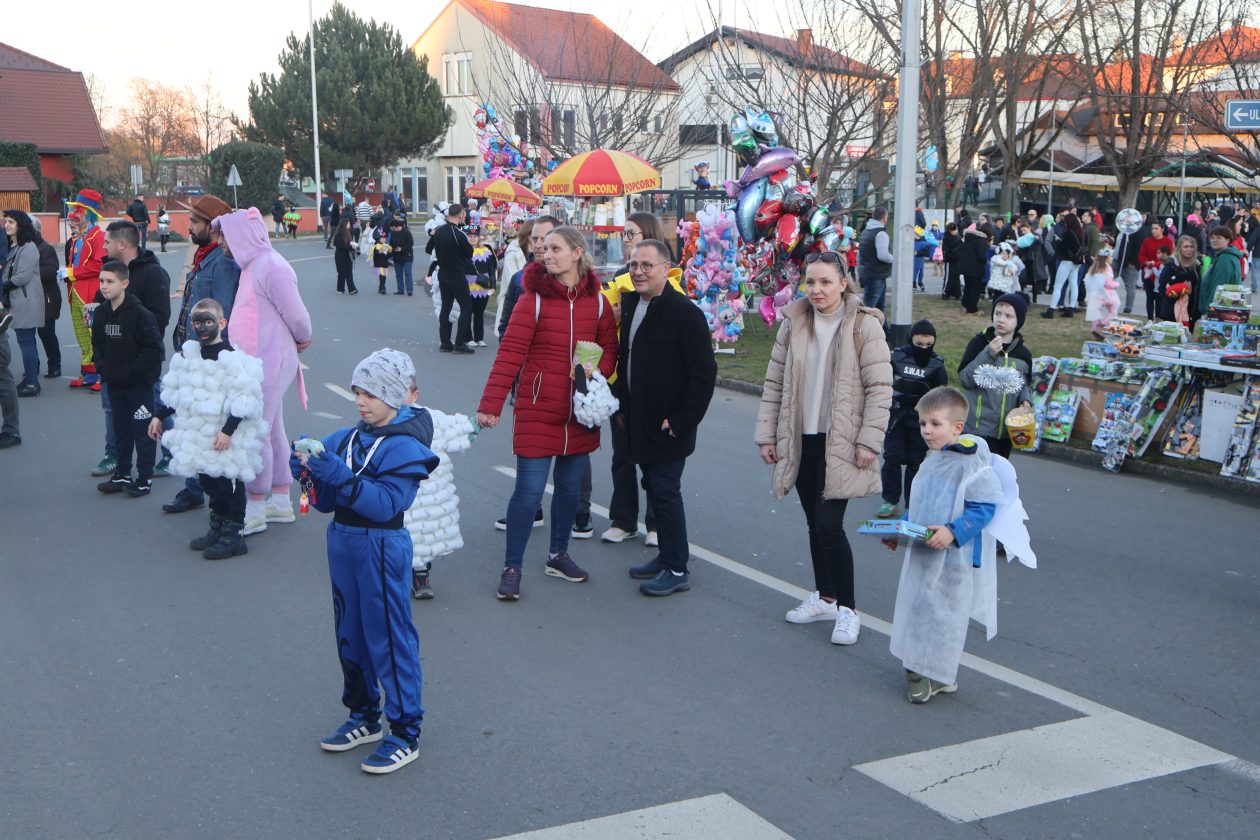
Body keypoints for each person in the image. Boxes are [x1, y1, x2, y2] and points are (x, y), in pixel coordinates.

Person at [290, 349, 439, 775]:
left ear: (395, 396)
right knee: (349, 631)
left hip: (381, 545)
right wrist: (307, 468)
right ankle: (363, 714)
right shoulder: (347, 438)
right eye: (358, 391)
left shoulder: (406, 446)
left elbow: (386, 503)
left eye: (372, 393)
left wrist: (337, 475)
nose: (361, 400)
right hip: (343, 540)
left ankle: (406, 730)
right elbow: (324, 502)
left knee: (389, 636)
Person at [755, 250, 892, 645]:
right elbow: (775, 384)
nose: (816, 290)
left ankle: (848, 610)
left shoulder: (864, 327)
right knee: (815, 523)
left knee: (830, 526)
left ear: (843, 282)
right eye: (810, 282)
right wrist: (768, 435)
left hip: (844, 443)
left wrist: (869, 441)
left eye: (825, 282)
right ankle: (826, 597)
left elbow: (880, 389)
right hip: (802, 440)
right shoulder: (794, 323)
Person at [475, 226, 618, 600]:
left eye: (555, 248)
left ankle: (558, 555)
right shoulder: (532, 299)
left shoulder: (599, 301)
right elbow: (509, 354)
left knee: (570, 491)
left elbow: (610, 347)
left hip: (579, 412)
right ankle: (512, 567)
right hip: (538, 408)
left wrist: (591, 368)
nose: (545, 253)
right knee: (528, 492)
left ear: (577, 253)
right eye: (544, 248)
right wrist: (491, 405)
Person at [886, 386, 1011, 704]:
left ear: (957, 427)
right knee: (919, 606)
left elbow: (985, 506)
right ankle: (916, 671)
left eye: (935, 424)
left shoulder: (971, 463)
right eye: (923, 423)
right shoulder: (933, 459)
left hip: (955, 557)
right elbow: (922, 502)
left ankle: (936, 674)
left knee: (944, 615)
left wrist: (954, 532)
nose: (927, 431)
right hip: (924, 551)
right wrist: (901, 531)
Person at [615, 239, 717, 596]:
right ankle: (666, 557)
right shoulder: (632, 305)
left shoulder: (684, 313)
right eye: (633, 265)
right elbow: (626, 362)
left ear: (666, 268)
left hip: (669, 427)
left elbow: (703, 374)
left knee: (665, 492)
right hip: (638, 421)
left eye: (647, 265)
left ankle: (677, 568)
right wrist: (622, 408)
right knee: (654, 491)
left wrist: (682, 419)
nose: (639, 272)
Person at [215, 207, 314, 536]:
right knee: (271, 430)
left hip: (268, 362)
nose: (222, 244)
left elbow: (297, 314)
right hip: (257, 362)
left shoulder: (270, 265)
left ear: (243, 236)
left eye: (225, 236)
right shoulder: (253, 266)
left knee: (255, 430)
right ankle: (281, 502)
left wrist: (302, 338)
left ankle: (255, 506)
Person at [148, 298, 265, 559]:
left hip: (226, 439)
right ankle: (218, 525)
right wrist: (159, 415)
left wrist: (228, 431)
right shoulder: (190, 357)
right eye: (197, 322)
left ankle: (234, 535)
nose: (202, 327)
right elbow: (178, 390)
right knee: (210, 482)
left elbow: (244, 399)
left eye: (208, 321)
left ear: (221, 323)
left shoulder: (234, 361)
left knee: (229, 484)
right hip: (200, 437)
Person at [162, 195, 242, 512]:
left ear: (212, 226)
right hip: (190, 352)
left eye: (194, 221)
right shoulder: (203, 255)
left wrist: (204, 356)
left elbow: (221, 314)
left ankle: (217, 499)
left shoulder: (221, 261)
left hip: (204, 359)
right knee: (191, 422)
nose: (188, 224)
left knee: (204, 425)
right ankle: (195, 487)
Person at [91, 260, 164, 497]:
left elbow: (152, 350)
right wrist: (105, 370)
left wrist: (132, 373)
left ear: (125, 283)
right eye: (102, 281)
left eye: (109, 281)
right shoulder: (101, 313)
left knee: (143, 433)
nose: (104, 286)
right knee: (121, 432)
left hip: (138, 387)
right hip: (115, 385)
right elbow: (98, 346)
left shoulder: (141, 315)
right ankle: (122, 474)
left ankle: (144, 479)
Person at [402, 376, 473, 601]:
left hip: (427, 492)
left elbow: (458, 428)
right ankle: (392, 572)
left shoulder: (431, 419)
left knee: (423, 533)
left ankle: (421, 573)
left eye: (404, 393)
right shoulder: (380, 420)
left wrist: (480, 422)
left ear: (415, 395)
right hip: (395, 490)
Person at [877, 319, 948, 519]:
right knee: (892, 458)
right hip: (896, 417)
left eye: (928, 345)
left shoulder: (937, 364)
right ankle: (889, 501)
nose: (923, 348)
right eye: (919, 344)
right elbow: (882, 382)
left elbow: (942, 395)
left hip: (922, 421)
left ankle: (912, 505)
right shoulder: (897, 357)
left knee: (916, 464)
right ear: (911, 340)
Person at [959, 293, 1034, 459]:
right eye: (998, 313)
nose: (1001, 319)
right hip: (977, 430)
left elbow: (1025, 384)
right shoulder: (979, 343)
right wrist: (989, 354)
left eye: (1008, 316)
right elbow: (965, 379)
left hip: (1006, 432)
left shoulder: (1023, 354)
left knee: (997, 479)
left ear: (1018, 321)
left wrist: (1026, 400)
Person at [63, 189, 107, 389]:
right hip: (75, 294)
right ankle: (88, 373)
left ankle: (101, 374)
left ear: (89, 213)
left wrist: (72, 273)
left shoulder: (99, 236)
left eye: (79, 210)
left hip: (90, 294)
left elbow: (99, 265)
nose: (74, 214)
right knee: (81, 334)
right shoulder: (77, 237)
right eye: (74, 209)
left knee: (94, 333)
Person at [1, 210, 44, 397]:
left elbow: (21, 277)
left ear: (21, 225)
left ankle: (32, 384)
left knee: (26, 342)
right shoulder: (14, 246)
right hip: (19, 301)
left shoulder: (28, 247)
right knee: (26, 342)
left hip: (26, 302)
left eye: (12, 222)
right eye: (6, 221)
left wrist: (1, 284)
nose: (7, 225)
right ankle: (30, 380)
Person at [426, 203, 476, 353]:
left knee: (446, 307)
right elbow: (469, 253)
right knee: (467, 307)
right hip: (456, 274)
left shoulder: (439, 231)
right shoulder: (459, 234)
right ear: (460, 215)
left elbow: (429, 249)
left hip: (443, 274)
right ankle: (460, 343)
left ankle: (445, 343)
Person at [31, 217, 61, 380]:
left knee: (46, 333)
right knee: (28, 336)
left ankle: (55, 365)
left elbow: (51, 272)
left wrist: (30, 270)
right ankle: (32, 367)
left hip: (47, 298)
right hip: (31, 298)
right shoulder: (21, 248)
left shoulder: (46, 249)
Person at [1042, 211, 1084, 318]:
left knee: (1058, 286)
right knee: (1074, 284)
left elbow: (1062, 248)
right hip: (1077, 262)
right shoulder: (1081, 232)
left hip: (1066, 261)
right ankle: (1071, 308)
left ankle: (1051, 310)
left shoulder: (1067, 233)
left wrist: (1058, 241)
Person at [495, 220, 531, 337]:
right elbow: (515, 281)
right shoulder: (513, 252)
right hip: (513, 305)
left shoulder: (535, 253)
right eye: (536, 237)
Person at [1199, 226, 1244, 317]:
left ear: (1228, 240)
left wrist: (1210, 310)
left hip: (1219, 312)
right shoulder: (1225, 256)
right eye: (1212, 238)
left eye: (1219, 238)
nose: (1214, 240)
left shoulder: (1225, 259)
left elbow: (1219, 288)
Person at [1157, 235, 1201, 323]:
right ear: (1179, 248)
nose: (1189, 249)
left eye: (1191, 247)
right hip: (1172, 311)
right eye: (1186, 247)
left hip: (1191, 311)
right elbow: (1162, 288)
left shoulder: (1197, 266)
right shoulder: (1171, 265)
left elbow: (1198, 288)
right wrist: (1180, 288)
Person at [1136, 221, 1174, 321]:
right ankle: (1149, 319)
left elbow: (1170, 256)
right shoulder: (1147, 241)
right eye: (1152, 228)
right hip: (1148, 272)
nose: (1153, 231)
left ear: (1162, 229)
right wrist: (1146, 262)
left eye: (1156, 228)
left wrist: (1157, 264)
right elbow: (1141, 255)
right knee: (1149, 297)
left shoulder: (1168, 241)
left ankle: (1158, 318)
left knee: (1159, 298)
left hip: (1162, 272)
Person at [857, 207, 893, 311]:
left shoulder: (865, 232)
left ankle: (884, 328)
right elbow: (883, 256)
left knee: (879, 308)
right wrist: (897, 259)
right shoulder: (881, 234)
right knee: (869, 308)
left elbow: (859, 255)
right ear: (884, 218)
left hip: (868, 273)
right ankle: (860, 327)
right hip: (877, 274)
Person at [466, 225, 496, 346]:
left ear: (479, 237)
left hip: (483, 287)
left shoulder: (487, 251)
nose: (472, 239)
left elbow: (491, 270)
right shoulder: (463, 251)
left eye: (475, 236)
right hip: (467, 286)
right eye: (470, 236)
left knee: (479, 313)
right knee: (467, 312)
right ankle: (468, 338)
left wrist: (493, 286)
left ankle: (479, 338)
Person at [1084, 246, 1119, 338]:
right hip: (1106, 295)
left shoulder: (1093, 267)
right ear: (1107, 258)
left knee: (1096, 311)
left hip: (1095, 295)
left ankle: (1095, 328)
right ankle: (1103, 323)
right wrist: (1116, 284)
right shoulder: (1107, 268)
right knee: (1113, 310)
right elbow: (1108, 283)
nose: (1112, 258)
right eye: (1111, 256)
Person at [957, 222, 991, 314]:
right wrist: (986, 261)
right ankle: (972, 308)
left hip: (966, 266)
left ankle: (965, 305)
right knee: (975, 288)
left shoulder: (970, 237)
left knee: (968, 286)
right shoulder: (981, 240)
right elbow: (981, 255)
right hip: (975, 268)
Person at [389, 217, 415, 296]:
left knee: (407, 272)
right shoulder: (393, 233)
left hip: (407, 256)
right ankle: (400, 289)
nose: (393, 229)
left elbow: (410, 243)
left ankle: (409, 289)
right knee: (398, 274)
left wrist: (402, 249)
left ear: (398, 227)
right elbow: (391, 244)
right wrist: (391, 249)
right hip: (397, 256)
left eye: (394, 228)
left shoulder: (407, 232)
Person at [333, 219, 358, 294]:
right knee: (341, 272)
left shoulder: (347, 233)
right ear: (345, 224)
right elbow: (339, 246)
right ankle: (340, 288)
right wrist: (350, 246)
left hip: (347, 255)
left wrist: (352, 245)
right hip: (340, 255)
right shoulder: (338, 234)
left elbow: (348, 243)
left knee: (349, 272)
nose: (349, 225)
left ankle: (352, 289)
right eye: (348, 223)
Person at [941, 221, 962, 300]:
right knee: (949, 277)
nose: (955, 231)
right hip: (950, 260)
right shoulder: (946, 238)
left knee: (956, 277)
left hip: (957, 260)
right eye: (953, 230)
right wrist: (960, 242)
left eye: (955, 229)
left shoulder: (957, 237)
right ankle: (945, 292)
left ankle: (957, 293)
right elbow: (951, 249)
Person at [371, 230, 392, 294]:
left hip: (385, 262)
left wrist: (389, 251)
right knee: (380, 275)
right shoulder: (376, 246)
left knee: (384, 275)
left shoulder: (387, 246)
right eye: (382, 238)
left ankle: (382, 287)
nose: (383, 240)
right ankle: (382, 286)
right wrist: (381, 250)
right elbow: (375, 254)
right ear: (379, 239)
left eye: (384, 238)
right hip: (378, 262)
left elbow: (389, 255)